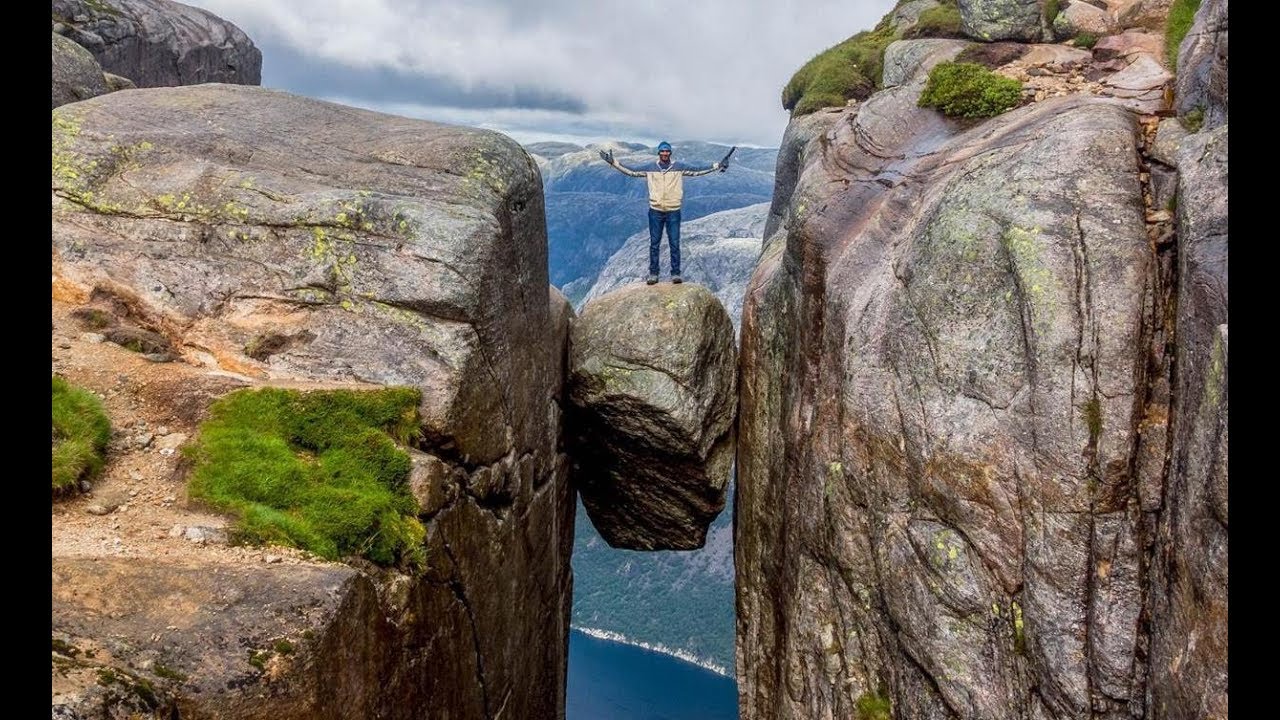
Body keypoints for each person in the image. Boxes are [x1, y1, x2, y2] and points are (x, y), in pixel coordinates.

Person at [599, 141, 730, 285]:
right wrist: (614, 163)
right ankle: (653, 273)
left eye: (667, 151)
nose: (665, 153)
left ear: (670, 153)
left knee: (674, 243)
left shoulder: (679, 167)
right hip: (656, 211)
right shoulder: (650, 168)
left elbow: (697, 170)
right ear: (659, 153)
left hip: (673, 211)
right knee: (654, 244)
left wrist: (717, 166)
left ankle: (675, 274)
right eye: (662, 151)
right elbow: (632, 171)